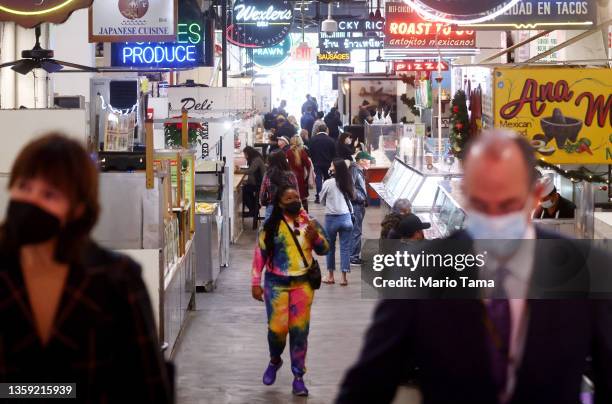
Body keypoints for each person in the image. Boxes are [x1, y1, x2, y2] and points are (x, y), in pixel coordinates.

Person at [336, 130, 612, 404]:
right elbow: (368, 384)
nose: (494, 219)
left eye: (507, 204)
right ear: (465, 193)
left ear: (535, 195)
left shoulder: (586, 270)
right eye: (481, 205)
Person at [0, 134, 172, 402]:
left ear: (78, 209)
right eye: (24, 186)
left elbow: (146, 385)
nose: (31, 200)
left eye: (49, 194)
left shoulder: (116, 279)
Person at [251, 185, 330, 397]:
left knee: (299, 332)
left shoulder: (310, 223)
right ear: (279, 203)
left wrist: (316, 238)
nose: (295, 200)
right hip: (276, 284)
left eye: (296, 197)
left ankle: (298, 377)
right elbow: (260, 254)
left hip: (303, 285)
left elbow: (324, 249)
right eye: (289, 198)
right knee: (277, 329)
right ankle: (275, 359)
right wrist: (255, 281)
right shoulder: (271, 227)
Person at [320, 159, 355, 286]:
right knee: (345, 248)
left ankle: (330, 276)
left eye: (331, 164)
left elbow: (322, 200)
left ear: (334, 169)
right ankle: (344, 278)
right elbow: (352, 197)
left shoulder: (328, 183)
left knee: (330, 248)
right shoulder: (347, 181)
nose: (330, 166)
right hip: (346, 218)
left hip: (332, 219)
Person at [349, 151, 374, 265]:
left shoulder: (357, 170)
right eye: (368, 161)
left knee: (356, 230)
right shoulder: (354, 170)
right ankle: (353, 257)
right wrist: (360, 198)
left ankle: (353, 255)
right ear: (361, 161)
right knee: (356, 231)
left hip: (358, 204)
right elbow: (350, 188)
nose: (370, 163)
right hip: (356, 205)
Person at [260, 151, 298, 221]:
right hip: (289, 207)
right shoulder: (291, 174)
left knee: (269, 229)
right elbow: (296, 192)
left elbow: (263, 193)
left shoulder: (267, 174)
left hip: (272, 206)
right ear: (284, 160)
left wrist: (263, 202)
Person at [308, 124, 337, 204]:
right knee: (327, 179)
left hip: (316, 162)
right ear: (326, 130)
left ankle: (319, 196)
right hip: (328, 163)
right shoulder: (331, 140)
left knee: (318, 178)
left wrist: (313, 160)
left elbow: (310, 152)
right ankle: (327, 196)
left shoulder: (313, 140)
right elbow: (334, 153)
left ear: (317, 130)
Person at [286, 135, 312, 212]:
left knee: (292, 196)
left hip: (290, 178)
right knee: (303, 197)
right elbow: (308, 164)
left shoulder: (288, 152)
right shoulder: (302, 152)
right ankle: (305, 214)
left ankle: (293, 213)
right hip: (301, 178)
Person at [240, 146, 266, 216]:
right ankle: (255, 207)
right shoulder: (256, 158)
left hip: (259, 184)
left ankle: (253, 209)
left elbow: (251, 171)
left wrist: (239, 171)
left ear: (248, 153)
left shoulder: (256, 160)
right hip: (258, 183)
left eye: (245, 154)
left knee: (244, 191)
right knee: (246, 189)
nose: (245, 156)